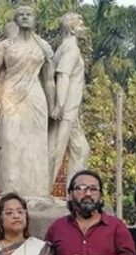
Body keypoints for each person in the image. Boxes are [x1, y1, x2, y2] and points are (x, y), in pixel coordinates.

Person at [0, 5, 55, 197]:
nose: (25, 18)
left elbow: (49, 79)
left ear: (34, 19)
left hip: (35, 96)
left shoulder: (43, 46)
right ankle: (11, 191)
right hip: (10, 95)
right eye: (21, 15)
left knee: (37, 144)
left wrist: (53, 105)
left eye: (29, 15)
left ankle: (38, 191)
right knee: (10, 141)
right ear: (16, 20)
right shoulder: (5, 45)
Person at [49, 12, 90, 187]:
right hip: (66, 108)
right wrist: (60, 105)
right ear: (71, 28)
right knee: (57, 150)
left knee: (81, 150)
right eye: (80, 24)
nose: (84, 28)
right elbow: (63, 76)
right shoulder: (70, 48)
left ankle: (75, 191)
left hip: (72, 109)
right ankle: (44, 187)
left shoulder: (68, 47)